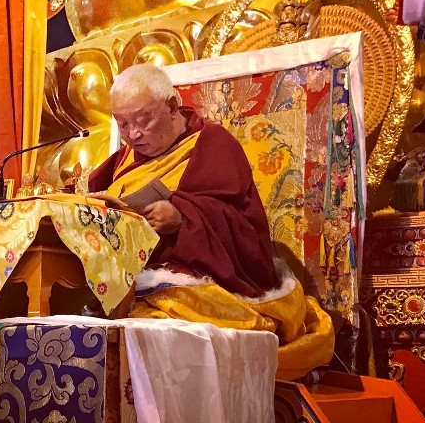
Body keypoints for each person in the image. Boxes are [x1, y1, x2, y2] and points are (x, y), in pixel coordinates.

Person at [88, 64, 334, 379]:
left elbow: (246, 231)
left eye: (142, 120)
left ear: (172, 107)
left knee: (157, 330)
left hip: (200, 277)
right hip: (128, 280)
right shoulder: (123, 160)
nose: (133, 134)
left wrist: (183, 218)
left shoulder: (213, 144)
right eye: (123, 124)